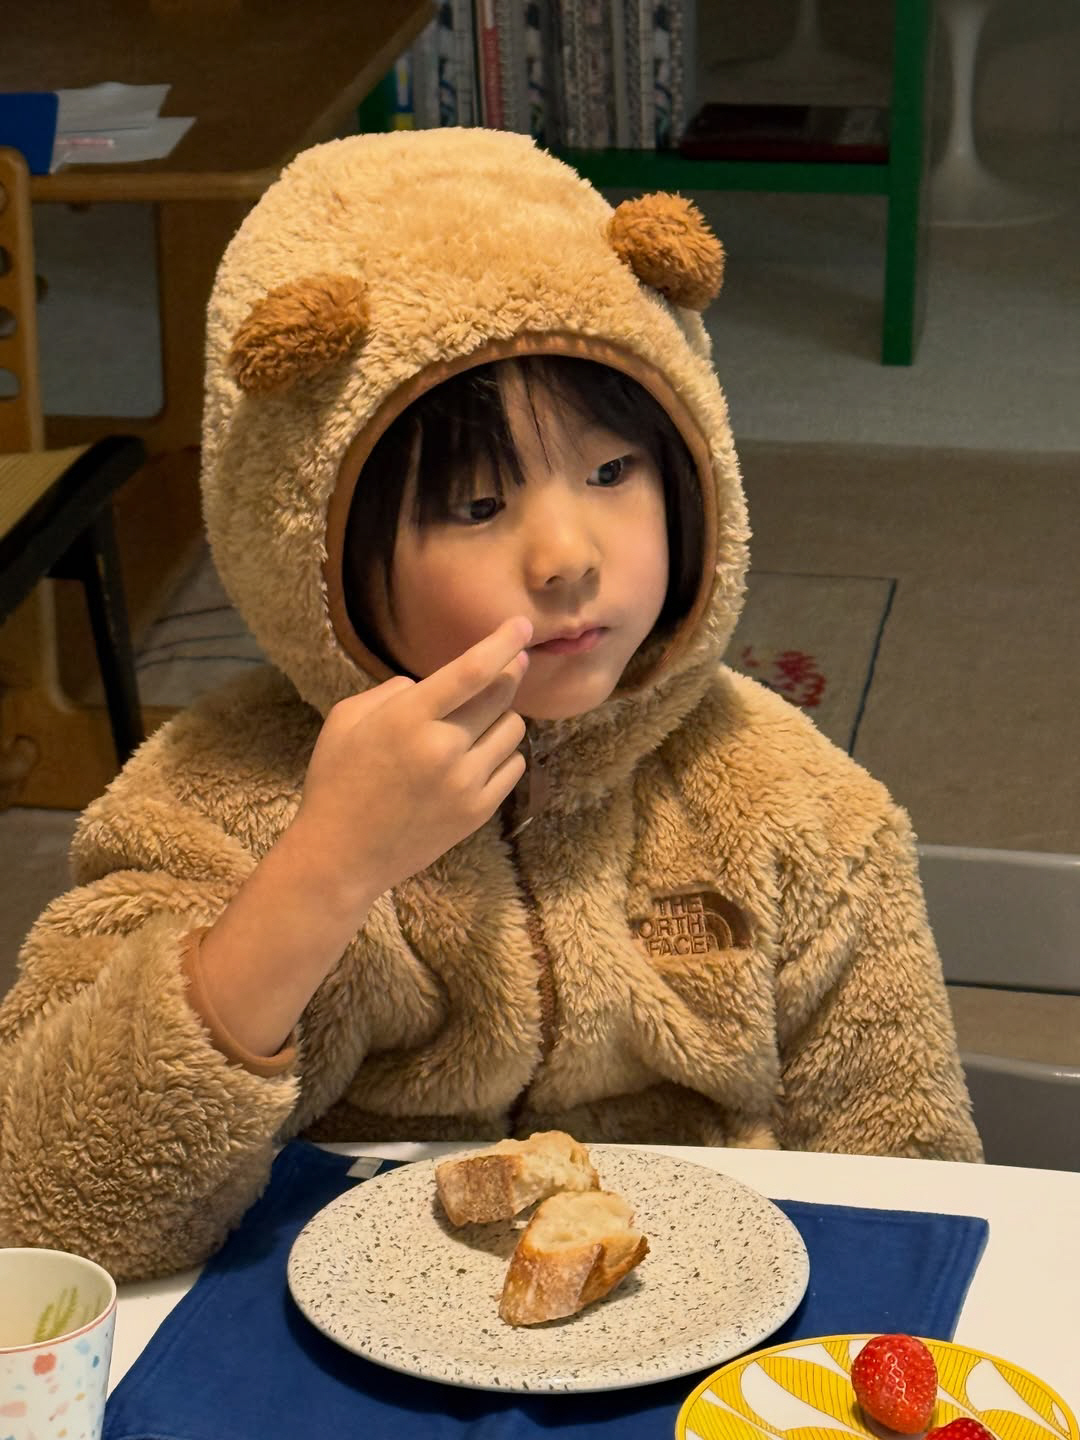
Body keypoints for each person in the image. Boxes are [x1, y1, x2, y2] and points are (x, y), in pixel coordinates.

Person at [0, 129, 981, 1282]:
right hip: (324, 1347)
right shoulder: (207, 803)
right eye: (474, 504)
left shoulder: (799, 806)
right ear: (309, 537)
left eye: (613, 473)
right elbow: (46, 1215)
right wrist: (322, 871)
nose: (568, 557)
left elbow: (916, 1200)